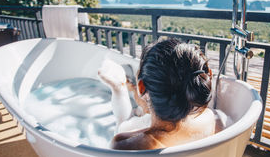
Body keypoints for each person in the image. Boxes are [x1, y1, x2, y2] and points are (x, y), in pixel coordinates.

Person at [99, 38, 231, 150]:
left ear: (142, 87)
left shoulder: (123, 144)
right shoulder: (217, 119)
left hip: (143, 128)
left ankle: (120, 89)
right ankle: (127, 90)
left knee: (123, 123)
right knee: (146, 114)